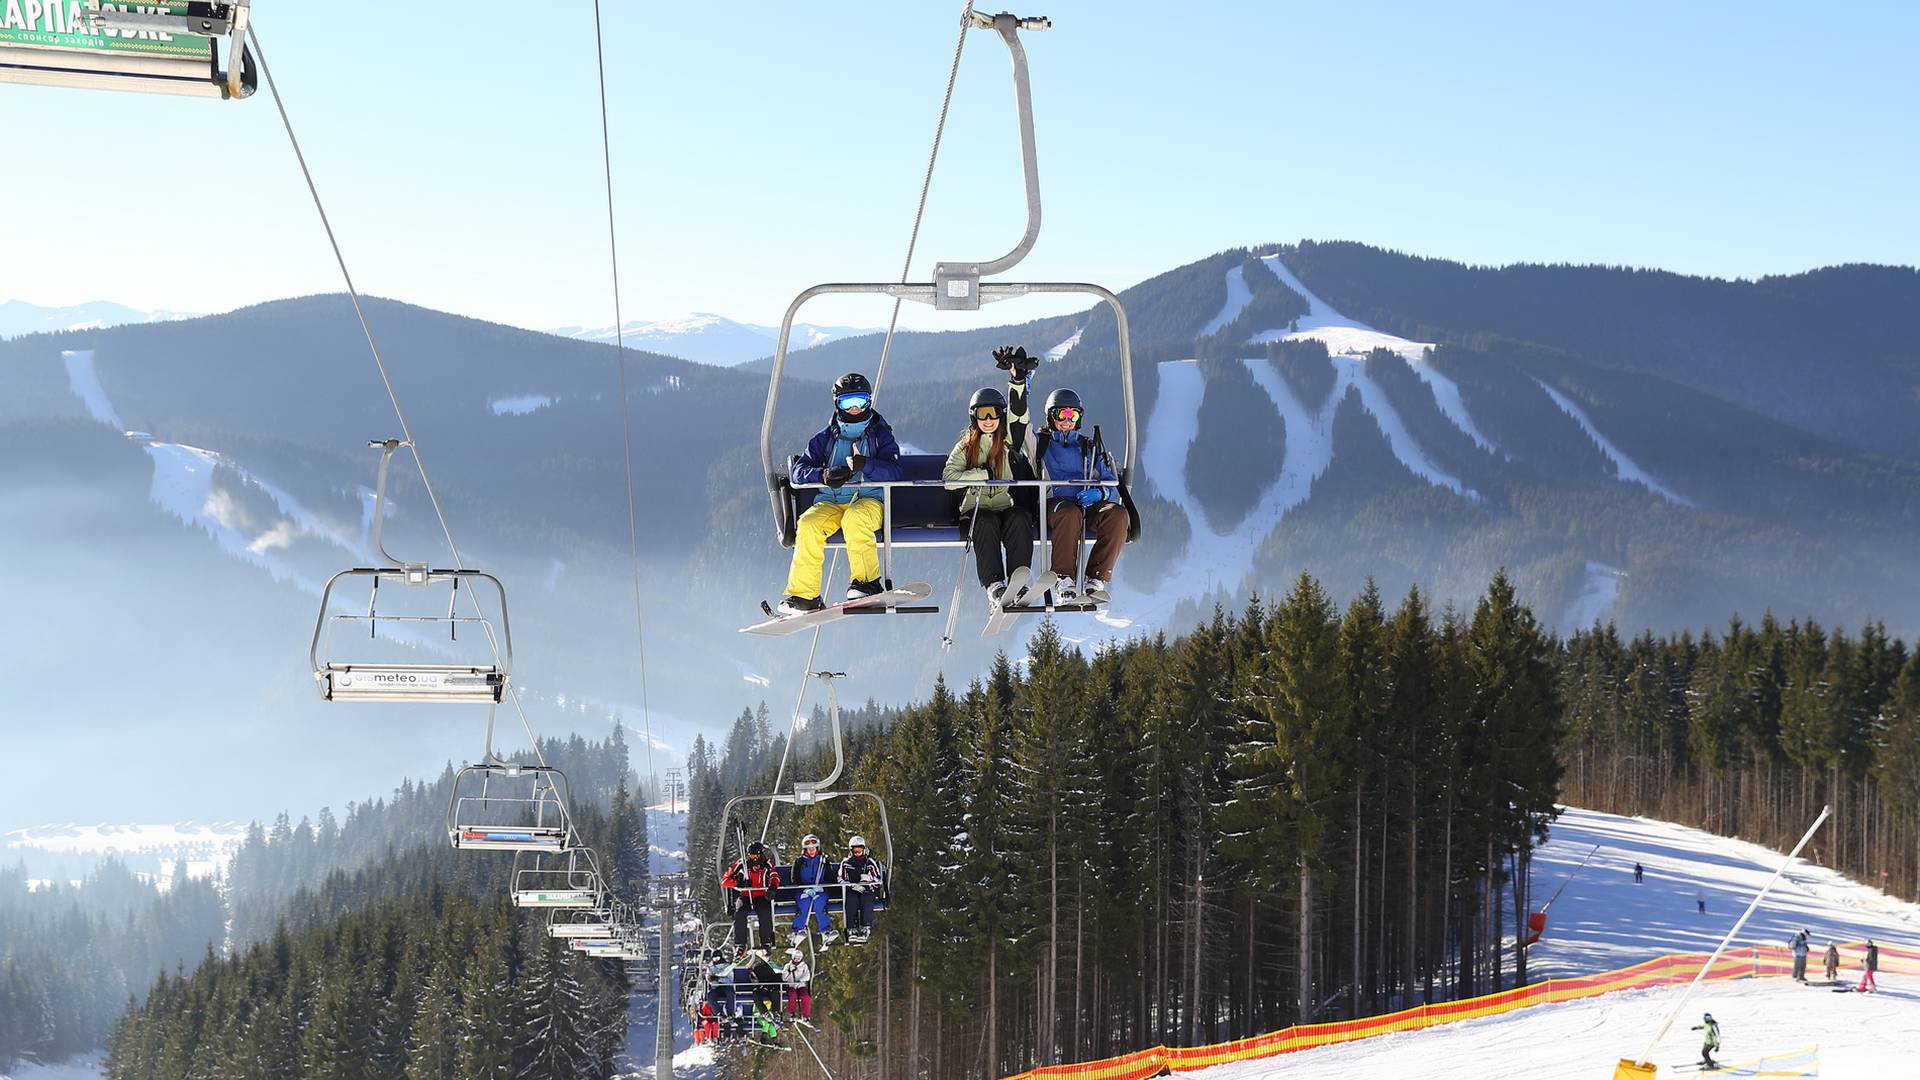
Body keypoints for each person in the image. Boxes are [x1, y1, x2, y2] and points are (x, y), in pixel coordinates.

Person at [776, 372, 904, 615]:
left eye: (861, 402)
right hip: (831, 503)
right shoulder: (826, 438)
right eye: (848, 402)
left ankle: (867, 582)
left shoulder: (880, 435)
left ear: (869, 402)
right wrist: (822, 475)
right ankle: (805, 595)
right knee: (809, 524)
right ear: (837, 403)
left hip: (870, 501)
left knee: (854, 519)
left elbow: (895, 471)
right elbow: (798, 472)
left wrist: (866, 464)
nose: (855, 409)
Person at [1005, 351, 1124, 603]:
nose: (1068, 421)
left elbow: (1111, 482)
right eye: (1062, 415)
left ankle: (1096, 577)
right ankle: (1064, 579)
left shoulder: (1089, 447)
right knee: (1068, 513)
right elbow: (1017, 425)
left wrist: (1100, 493)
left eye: (1073, 415)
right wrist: (1019, 387)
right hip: (1055, 506)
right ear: (1051, 417)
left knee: (1117, 515)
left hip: (1086, 506)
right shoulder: (1041, 444)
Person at [943, 379, 1033, 605]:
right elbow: (948, 480)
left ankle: (1017, 581)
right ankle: (995, 584)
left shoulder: (1007, 442)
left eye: (994, 414)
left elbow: (1020, 417)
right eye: (983, 414)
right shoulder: (966, 447)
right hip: (976, 509)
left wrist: (1018, 382)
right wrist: (980, 475)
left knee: (1020, 518)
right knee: (985, 521)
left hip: (1005, 505)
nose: (989, 420)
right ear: (974, 416)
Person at [722, 840, 781, 951]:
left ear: (761, 855)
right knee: (739, 913)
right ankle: (740, 945)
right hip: (745, 895)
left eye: (756, 855)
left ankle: (766, 942)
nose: (754, 859)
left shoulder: (767, 864)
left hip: (761, 894)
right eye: (752, 855)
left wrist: (772, 888)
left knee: (764, 911)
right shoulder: (742, 864)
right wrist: (738, 883)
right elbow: (725, 880)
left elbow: (774, 876)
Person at [788, 833, 838, 947]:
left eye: (813, 848)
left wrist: (822, 886)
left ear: (817, 848)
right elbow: (794, 878)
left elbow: (830, 877)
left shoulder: (823, 861)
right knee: (804, 902)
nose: (811, 851)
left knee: (819, 901)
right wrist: (804, 888)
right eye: (808, 849)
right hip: (803, 890)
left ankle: (825, 931)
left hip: (820, 890)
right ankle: (796, 931)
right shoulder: (799, 861)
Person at [839, 833, 883, 944]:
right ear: (851, 851)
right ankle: (852, 928)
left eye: (860, 850)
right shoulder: (846, 863)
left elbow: (878, 880)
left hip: (867, 890)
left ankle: (865, 927)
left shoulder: (869, 863)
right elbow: (840, 878)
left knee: (866, 899)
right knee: (851, 900)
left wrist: (870, 879)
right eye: (855, 851)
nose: (857, 853)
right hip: (852, 890)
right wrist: (852, 885)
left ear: (864, 850)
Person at [782, 947, 814, 1021]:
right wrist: (789, 971)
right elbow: (784, 978)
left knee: (805, 996)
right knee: (792, 995)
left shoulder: (804, 966)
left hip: (800, 985)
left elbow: (807, 976)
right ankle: (792, 1013)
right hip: (791, 985)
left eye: (799, 958)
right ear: (793, 957)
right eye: (796, 958)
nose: (797, 959)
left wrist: (800, 980)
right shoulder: (788, 966)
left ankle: (806, 1015)